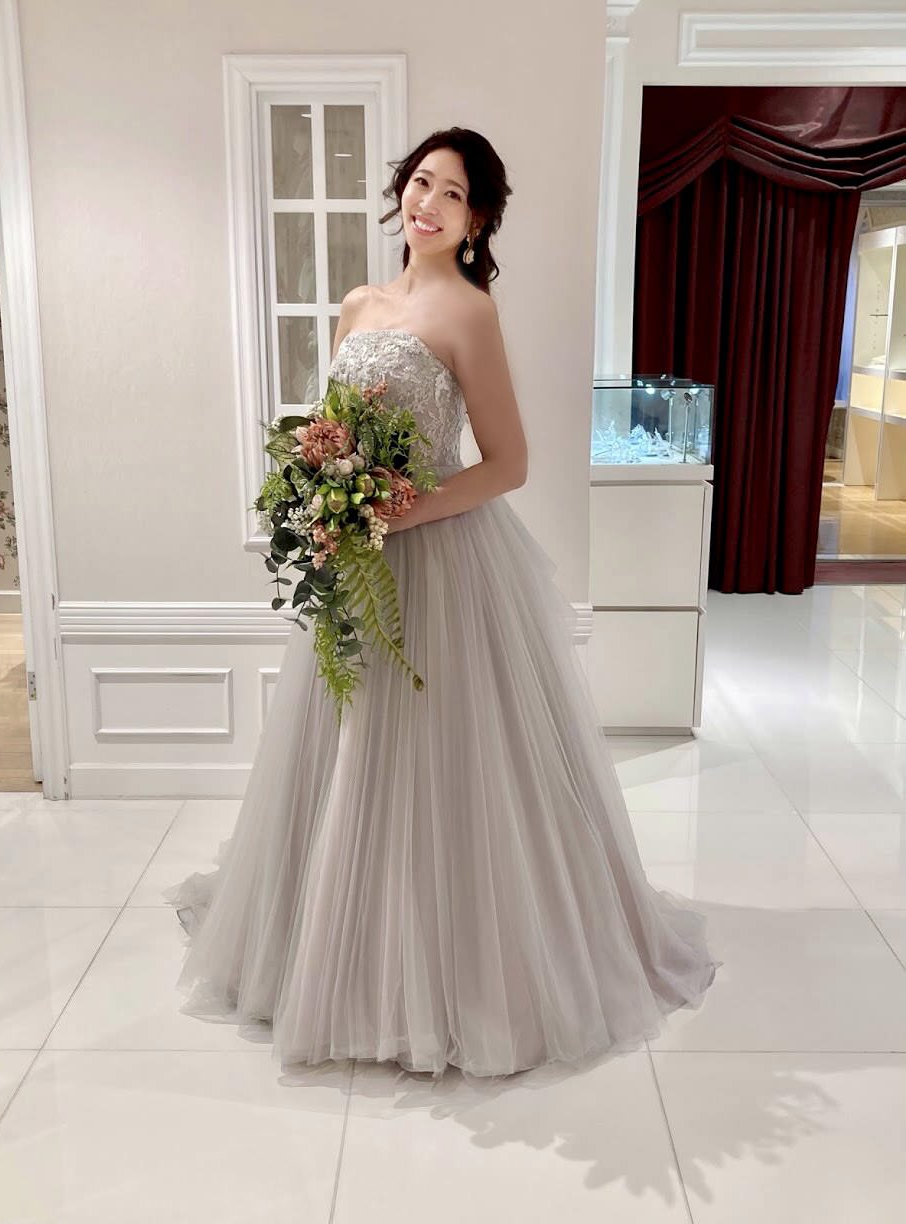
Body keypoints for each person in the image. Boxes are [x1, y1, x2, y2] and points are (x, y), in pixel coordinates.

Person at [164, 126, 721, 1082]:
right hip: (360, 565)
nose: (427, 203)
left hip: (446, 562)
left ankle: (456, 969)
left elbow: (510, 464)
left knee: (445, 766)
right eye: (421, 183)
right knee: (346, 752)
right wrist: (327, 488)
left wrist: (400, 509)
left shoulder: (470, 313)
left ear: (478, 220)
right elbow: (333, 427)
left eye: (452, 194)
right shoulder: (358, 304)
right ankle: (330, 952)